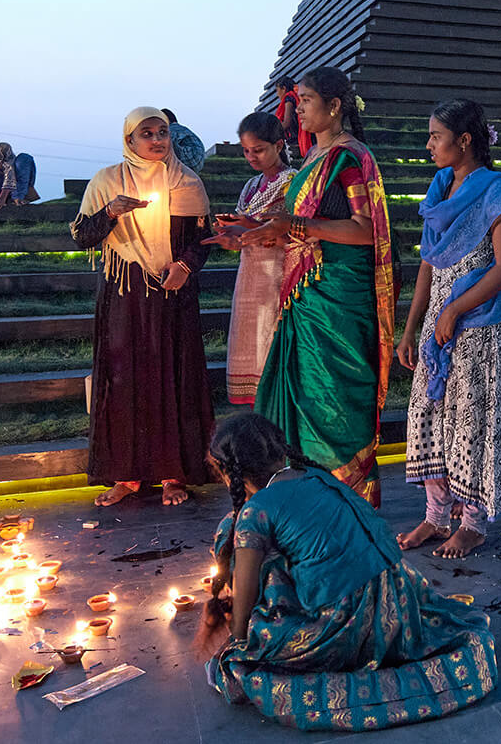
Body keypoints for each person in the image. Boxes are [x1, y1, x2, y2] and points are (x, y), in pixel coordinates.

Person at [204, 413, 497, 731]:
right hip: (397, 601)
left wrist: (237, 643)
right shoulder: (316, 475)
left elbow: (244, 607)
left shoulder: (255, 511)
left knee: (258, 577)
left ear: (229, 473)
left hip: (345, 625)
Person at [231, 67, 395, 507]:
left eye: (305, 100)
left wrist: (296, 224)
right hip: (305, 298)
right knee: (302, 399)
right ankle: (309, 501)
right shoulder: (312, 161)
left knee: (337, 401)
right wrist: (254, 233)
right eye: (298, 99)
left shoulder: (352, 158)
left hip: (339, 296)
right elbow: (303, 231)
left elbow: (365, 230)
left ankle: (348, 502)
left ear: (334, 106)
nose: (297, 108)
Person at [394, 99, 501, 560]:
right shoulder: (439, 190)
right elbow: (429, 266)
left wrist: (455, 311)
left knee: (470, 423)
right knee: (426, 415)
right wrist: (412, 327)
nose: (429, 144)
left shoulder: (495, 190)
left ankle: (471, 523)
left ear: (464, 140)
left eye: (436, 135)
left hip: (480, 325)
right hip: (438, 324)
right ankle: (436, 515)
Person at [70, 107, 214, 507]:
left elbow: (202, 239)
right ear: (129, 140)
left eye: (162, 132)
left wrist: (185, 266)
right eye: (146, 133)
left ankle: (174, 475)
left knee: (174, 377)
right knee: (123, 377)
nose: (156, 140)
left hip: (173, 295)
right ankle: (126, 475)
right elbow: (82, 237)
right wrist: (111, 211)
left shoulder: (187, 182)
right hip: (125, 293)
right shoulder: (106, 181)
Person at [214, 112, 293, 404]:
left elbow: (294, 234)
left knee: (269, 342)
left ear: (279, 145)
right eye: (246, 150)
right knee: (249, 342)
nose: (251, 157)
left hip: (278, 274)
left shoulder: (291, 183)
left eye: (258, 150)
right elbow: (244, 235)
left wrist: (248, 227)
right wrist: (229, 236)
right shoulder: (250, 186)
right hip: (249, 275)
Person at [160, 108, 209, 173]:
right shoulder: (183, 129)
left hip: (186, 161)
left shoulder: (172, 129)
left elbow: (166, 144)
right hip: (197, 165)